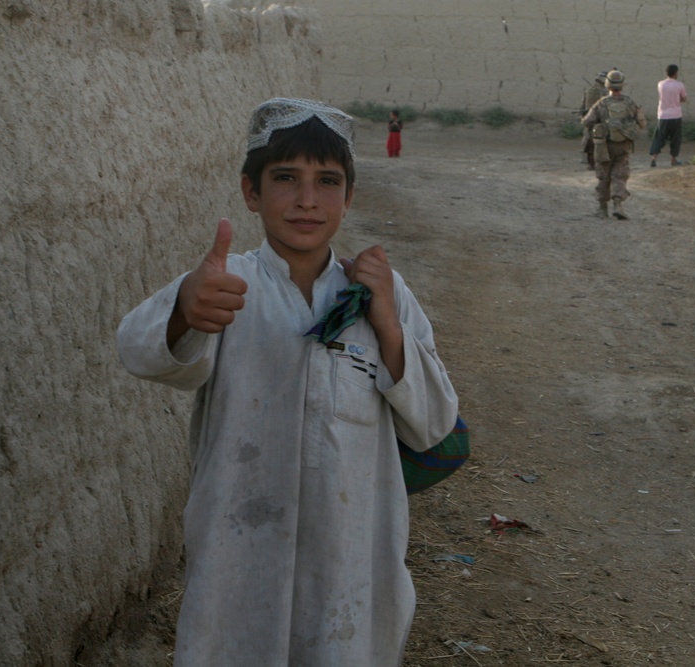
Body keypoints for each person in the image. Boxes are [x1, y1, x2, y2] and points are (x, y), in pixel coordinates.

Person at [116, 97, 459, 666]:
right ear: (251, 193)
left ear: (349, 198)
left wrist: (390, 329)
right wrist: (184, 309)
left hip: (350, 562)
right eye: (285, 178)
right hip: (240, 556)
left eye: (327, 181)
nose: (306, 200)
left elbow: (434, 423)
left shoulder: (382, 294)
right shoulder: (226, 286)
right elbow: (140, 349)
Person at [582, 69, 647, 220]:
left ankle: (602, 209)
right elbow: (642, 123)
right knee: (620, 175)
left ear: (608, 85)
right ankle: (618, 204)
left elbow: (587, 121)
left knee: (604, 175)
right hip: (623, 145)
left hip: (604, 146)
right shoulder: (630, 102)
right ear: (622, 85)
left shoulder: (602, 103)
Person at [649, 64, 688, 167]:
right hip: (675, 115)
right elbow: (684, 98)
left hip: (662, 115)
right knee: (675, 139)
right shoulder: (680, 85)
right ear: (676, 73)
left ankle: (654, 158)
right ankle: (673, 159)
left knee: (659, 137)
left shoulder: (660, 84)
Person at [580, 71, 609, 170]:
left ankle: (589, 162)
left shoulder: (589, 90)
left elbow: (582, 106)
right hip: (599, 119)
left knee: (588, 138)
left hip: (589, 118)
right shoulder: (604, 92)